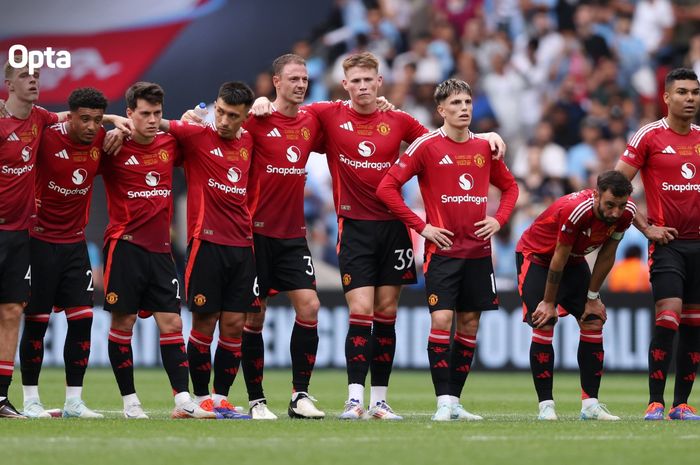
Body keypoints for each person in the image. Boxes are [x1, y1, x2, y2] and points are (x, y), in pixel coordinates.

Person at [253, 51, 506, 420]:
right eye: (355, 81)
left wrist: (485, 134)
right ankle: (354, 399)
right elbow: (285, 112)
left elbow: (446, 140)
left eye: (368, 80)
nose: (362, 87)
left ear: (379, 82)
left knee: (387, 313)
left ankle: (380, 402)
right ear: (345, 85)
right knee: (361, 311)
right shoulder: (326, 113)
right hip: (353, 227)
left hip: (393, 229)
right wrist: (261, 100)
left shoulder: (400, 121)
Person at [377, 78, 518, 421]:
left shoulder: (486, 147)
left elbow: (511, 187)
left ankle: (454, 401)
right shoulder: (426, 146)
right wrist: (421, 226)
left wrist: (498, 220)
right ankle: (442, 401)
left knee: (469, 325)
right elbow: (387, 187)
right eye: (455, 103)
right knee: (441, 320)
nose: (464, 108)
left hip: (479, 253)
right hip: (442, 251)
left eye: (468, 102)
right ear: (441, 110)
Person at [101, 82, 214, 420]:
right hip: (125, 247)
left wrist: (194, 120)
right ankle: (130, 402)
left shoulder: (169, 143)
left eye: (157, 114)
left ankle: (183, 400)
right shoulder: (112, 146)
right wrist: (109, 122)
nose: (152, 120)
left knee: (172, 322)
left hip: (161, 250)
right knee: (125, 320)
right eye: (145, 114)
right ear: (130, 114)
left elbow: (201, 142)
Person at [163, 82, 258, 420]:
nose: (223, 120)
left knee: (234, 324)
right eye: (220, 112)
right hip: (206, 243)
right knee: (205, 322)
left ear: (245, 118)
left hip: (243, 246)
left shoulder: (250, 140)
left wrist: (263, 104)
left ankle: (220, 397)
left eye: (233, 116)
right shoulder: (196, 134)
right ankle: (200, 398)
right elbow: (155, 124)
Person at [240, 55, 325, 419]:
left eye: (304, 79)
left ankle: (299, 395)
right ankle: (256, 400)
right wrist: (253, 105)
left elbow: (348, 116)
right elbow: (219, 127)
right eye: (293, 79)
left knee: (310, 306)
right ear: (276, 82)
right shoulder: (256, 120)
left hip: (293, 235)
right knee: (254, 318)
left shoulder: (311, 121)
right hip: (255, 234)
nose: (301, 85)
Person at [516, 170, 636, 421]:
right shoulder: (576, 210)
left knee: (592, 320)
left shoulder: (627, 213)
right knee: (544, 321)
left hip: (574, 261)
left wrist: (593, 296)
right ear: (596, 195)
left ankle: (590, 405)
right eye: (609, 205)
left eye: (621, 205)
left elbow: (607, 254)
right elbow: (558, 256)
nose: (615, 212)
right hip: (538, 258)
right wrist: (548, 302)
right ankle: (546, 406)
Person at [615, 67, 700, 421]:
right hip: (667, 245)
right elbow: (613, 188)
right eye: (682, 92)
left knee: (694, 325)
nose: (690, 99)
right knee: (669, 317)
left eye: (694, 93)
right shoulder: (649, 137)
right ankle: (655, 401)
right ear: (666, 97)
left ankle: (681, 404)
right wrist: (645, 228)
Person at [19, 87, 108, 419]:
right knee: (37, 324)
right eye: (84, 119)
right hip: (39, 243)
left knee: (83, 321)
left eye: (97, 120)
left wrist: (112, 123)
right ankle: (30, 400)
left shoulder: (101, 140)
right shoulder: (46, 138)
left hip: (75, 245)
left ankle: (74, 401)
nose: (90, 127)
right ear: (69, 116)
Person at [0, 61, 61, 418]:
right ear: (9, 84)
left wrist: (115, 121)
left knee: (11, 311)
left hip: (19, 235)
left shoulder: (39, 118)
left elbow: (70, 116)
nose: (33, 79)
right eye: (25, 76)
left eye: (36, 75)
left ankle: (1, 397)